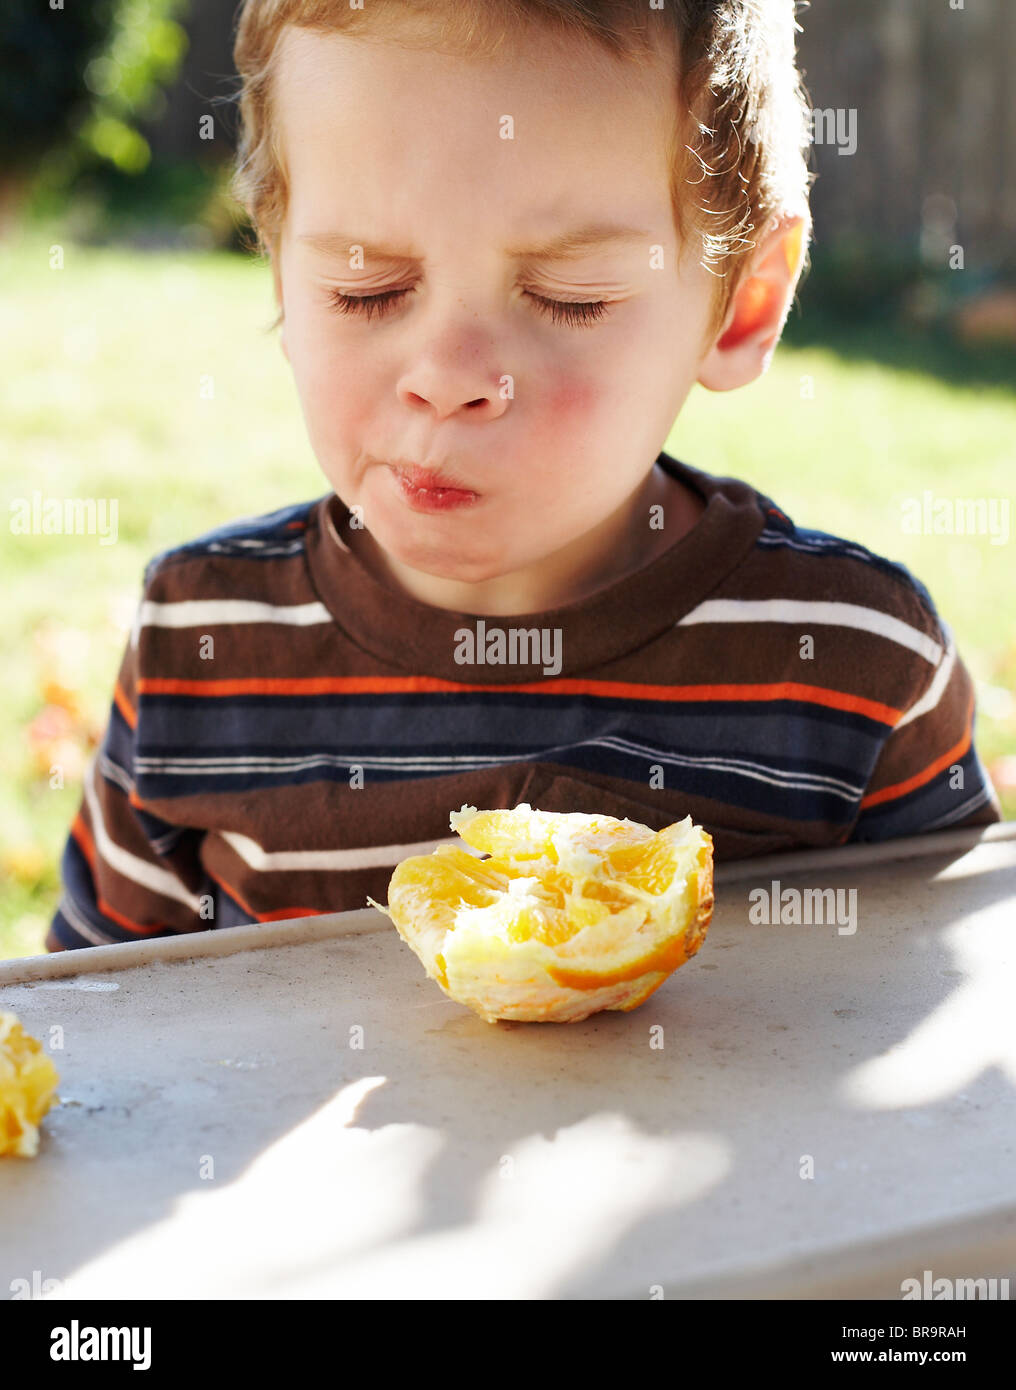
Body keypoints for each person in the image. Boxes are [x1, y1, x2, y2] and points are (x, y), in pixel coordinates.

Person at [46, 0, 999, 950]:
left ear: (743, 302)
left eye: (567, 300)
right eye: (364, 287)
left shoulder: (854, 665)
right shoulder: (201, 642)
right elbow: (101, 1023)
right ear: (281, 279)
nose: (448, 380)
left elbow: (942, 1027)